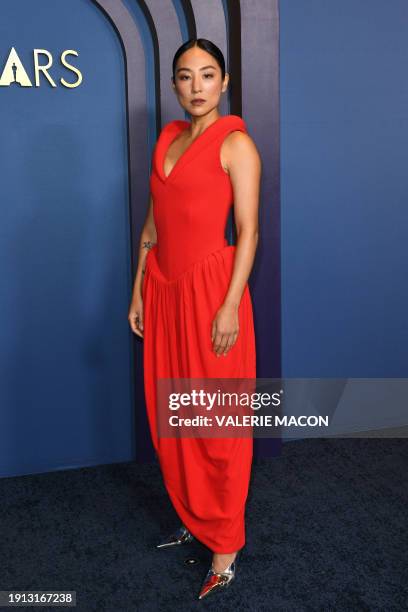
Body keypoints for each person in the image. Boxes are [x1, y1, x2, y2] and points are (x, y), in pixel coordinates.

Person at [128, 38, 261, 601]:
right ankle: (193, 516)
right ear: (174, 85)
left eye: (208, 75)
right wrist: (137, 292)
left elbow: (248, 232)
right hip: (162, 292)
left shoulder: (237, 144)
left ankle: (225, 548)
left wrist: (230, 303)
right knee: (172, 417)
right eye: (185, 76)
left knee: (218, 425)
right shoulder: (166, 141)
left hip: (211, 292)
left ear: (224, 82)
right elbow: (153, 230)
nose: (196, 85)